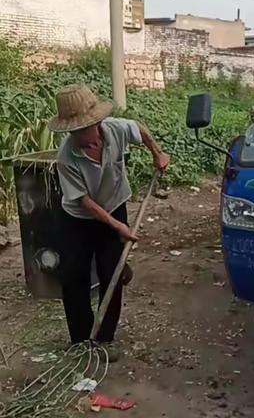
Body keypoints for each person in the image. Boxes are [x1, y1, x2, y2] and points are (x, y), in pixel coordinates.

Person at [48, 84, 169, 358]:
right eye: (73, 131)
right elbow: (84, 202)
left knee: (111, 272)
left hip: (114, 205)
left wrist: (157, 152)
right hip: (78, 218)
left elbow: (138, 128)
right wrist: (119, 228)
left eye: (83, 129)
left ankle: (103, 337)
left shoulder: (115, 129)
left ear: (97, 122)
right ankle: (81, 340)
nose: (79, 136)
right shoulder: (66, 156)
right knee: (74, 276)